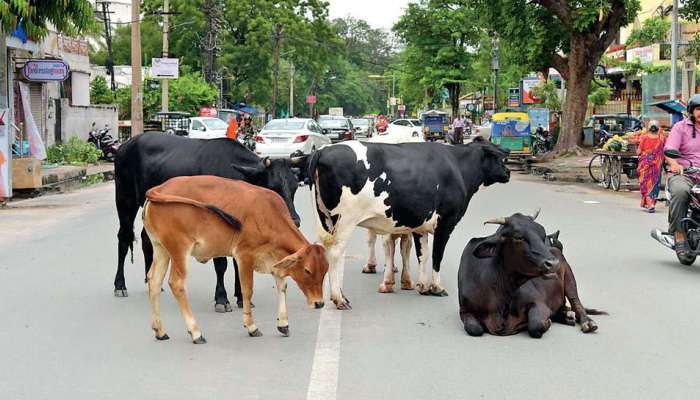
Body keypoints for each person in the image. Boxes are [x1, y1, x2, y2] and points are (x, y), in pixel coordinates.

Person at [665, 94, 700, 260]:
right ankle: (678, 234)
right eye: (699, 109)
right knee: (681, 192)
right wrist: (674, 163)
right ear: (692, 111)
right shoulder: (680, 127)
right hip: (684, 173)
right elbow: (670, 151)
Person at [636, 120, 666, 213]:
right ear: (658, 129)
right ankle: (651, 203)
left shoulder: (644, 137)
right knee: (654, 184)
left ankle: (650, 203)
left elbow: (639, 151)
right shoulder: (662, 138)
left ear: (649, 128)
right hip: (657, 166)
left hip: (645, 164)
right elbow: (666, 150)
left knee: (645, 183)